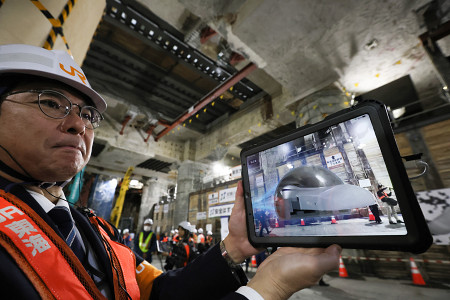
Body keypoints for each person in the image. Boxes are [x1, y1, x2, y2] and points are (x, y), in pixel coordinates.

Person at [0, 44, 341, 300]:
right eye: (50, 102)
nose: (77, 123)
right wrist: (270, 287)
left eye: (88, 114)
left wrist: (234, 246)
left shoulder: (94, 228)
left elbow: (158, 293)